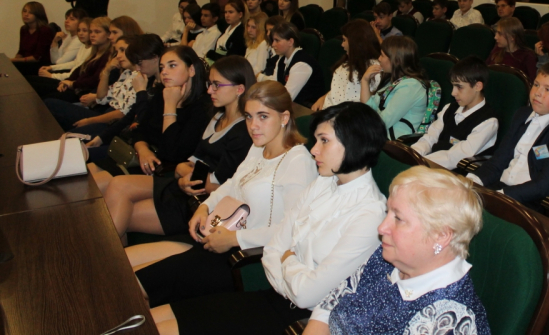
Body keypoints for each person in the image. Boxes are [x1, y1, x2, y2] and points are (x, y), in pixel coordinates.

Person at [146, 102, 387, 335]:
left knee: (160, 326)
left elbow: (307, 296)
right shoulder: (324, 182)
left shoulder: (370, 215)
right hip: (275, 294)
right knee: (155, 318)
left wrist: (288, 258)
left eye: (324, 140)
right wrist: (290, 268)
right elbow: (274, 246)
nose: (314, 149)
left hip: (302, 320)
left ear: (355, 142)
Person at [129, 81, 317, 316]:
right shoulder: (259, 147)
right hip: (225, 236)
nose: (253, 126)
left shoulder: (298, 162)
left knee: (140, 285)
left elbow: (293, 232)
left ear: (284, 117)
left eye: (263, 116)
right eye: (248, 116)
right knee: (130, 268)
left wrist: (234, 239)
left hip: (251, 260)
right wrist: (205, 207)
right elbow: (232, 184)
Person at [305, 166, 490, 335]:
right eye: (388, 213)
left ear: (441, 235)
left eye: (398, 219)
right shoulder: (389, 258)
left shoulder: (449, 319)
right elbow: (329, 305)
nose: (381, 228)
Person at [104, 56, 256, 239]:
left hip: (202, 202)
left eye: (216, 85)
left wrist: (185, 173)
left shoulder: (244, 132)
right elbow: (190, 161)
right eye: (209, 84)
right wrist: (183, 172)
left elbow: (219, 185)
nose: (210, 90)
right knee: (118, 185)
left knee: (122, 213)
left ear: (239, 89)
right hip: (187, 185)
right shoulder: (217, 116)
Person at [88, 46, 211, 192]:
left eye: (172, 65)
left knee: (94, 185)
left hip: (166, 172)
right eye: (162, 67)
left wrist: (170, 106)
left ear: (191, 70)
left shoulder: (203, 107)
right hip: (142, 160)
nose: (164, 72)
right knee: (87, 173)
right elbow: (139, 129)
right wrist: (143, 150)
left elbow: (172, 154)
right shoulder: (160, 96)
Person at [467, 61, 549, 207]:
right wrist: (472, 181)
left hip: (530, 201)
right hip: (500, 188)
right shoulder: (522, 115)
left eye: (548, 89)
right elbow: (499, 161)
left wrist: (502, 196)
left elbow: (547, 183)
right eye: (536, 85)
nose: (538, 93)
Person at [83, 34, 165, 159]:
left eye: (139, 63)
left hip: (144, 147)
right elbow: (130, 115)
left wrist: (141, 92)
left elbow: (141, 120)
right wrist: (100, 139)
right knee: (82, 149)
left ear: (155, 58)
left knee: (84, 156)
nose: (137, 68)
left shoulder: (163, 88)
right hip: (128, 137)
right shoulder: (149, 80)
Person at [412, 56, 498, 170]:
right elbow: (430, 137)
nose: (453, 93)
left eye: (459, 87)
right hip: (429, 165)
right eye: (453, 86)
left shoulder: (488, 122)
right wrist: (413, 154)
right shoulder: (449, 108)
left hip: (455, 173)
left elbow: (455, 157)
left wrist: (421, 163)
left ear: (477, 86)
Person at [45, 35, 137, 137]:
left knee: (52, 106)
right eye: (117, 52)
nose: (118, 56)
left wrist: (89, 121)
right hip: (104, 114)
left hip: (113, 122)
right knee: (51, 105)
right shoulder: (127, 73)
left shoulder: (138, 77)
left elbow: (122, 113)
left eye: (122, 50)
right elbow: (101, 96)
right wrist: (106, 71)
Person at [361, 36, 438, 139]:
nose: (379, 59)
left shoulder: (411, 86)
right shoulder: (394, 81)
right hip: (378, 137)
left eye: (382, 55)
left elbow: (382, 123)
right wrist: (365, 80)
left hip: (393, 143)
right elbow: (368, 107)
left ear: (395, 60)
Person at [34, 16, 114, 102]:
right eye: (91, 32)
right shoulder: (95, 52)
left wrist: (72, 84)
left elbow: (94, 80)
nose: (92, 35)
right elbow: (79, 69)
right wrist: (67, 81)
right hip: (76, 85)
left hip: (83, 92)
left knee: (45, 99)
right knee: (36, 85)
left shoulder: (107, 55)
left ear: (108, 34)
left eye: (97, 32)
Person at [312, 19, 381, 111]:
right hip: (328, 111)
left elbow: (369, 103)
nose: (342, 44)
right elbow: (339, 90)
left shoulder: (374, 68)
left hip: (345, 116)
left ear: (355, 43)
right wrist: (323, 97)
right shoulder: (347, 62)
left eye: (344, 40)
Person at [265, 22, 325, 108]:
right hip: (292, 107)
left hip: (306, 109)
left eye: (277, 40)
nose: (273, 44)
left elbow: (287, 97)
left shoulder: (302, 64)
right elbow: (274, 86)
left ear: (290, 42)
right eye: (273, 40)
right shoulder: (281, 60)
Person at [37, 16, 93, 81]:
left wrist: (52, 75)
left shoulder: (91, 49)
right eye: (79, 30)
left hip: (74, 81)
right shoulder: (83, 46)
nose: (80, 33)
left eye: (84, 30)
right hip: (70, 77)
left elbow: (75, 74)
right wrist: (51, 67)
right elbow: (74, 63)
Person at [487, 16, 538, 83]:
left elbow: (532, 83)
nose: (495, 37)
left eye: (500, 34)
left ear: (512, 37)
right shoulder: (497, 49)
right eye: (496, 33)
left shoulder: (527, 56)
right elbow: (486, 69)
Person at [11, 1, 55, 74]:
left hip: (39, 65)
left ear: (38, 14)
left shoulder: (45, 30)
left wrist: (14, 60)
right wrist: (14, 60)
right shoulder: (24, 29)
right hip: (26, 63)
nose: (26, 14)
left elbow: (37, 57)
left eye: (30, 12)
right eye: (24, 11)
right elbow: (21, 51)